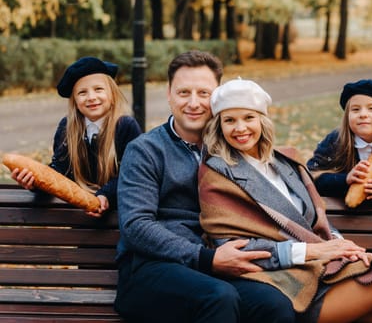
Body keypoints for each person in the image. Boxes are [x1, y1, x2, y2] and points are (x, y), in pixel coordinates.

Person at [198, 78, 372, 323]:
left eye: (248, 118)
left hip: (325, 270)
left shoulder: (284, 162)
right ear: (219, 126)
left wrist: (344, 246)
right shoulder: (218, 174)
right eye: (230, 120)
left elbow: (315, 219)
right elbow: (232, 247)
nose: (240, 128)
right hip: (286, 283)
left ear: (262, 120)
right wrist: (313, 251)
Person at [114, 50, 295, 323]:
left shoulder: (233, 148)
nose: (194, 103)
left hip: (214, 266)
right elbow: (136, 226)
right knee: (218, 297)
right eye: (184, 92)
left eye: (204, 93)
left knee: (275, 305)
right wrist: (205, 257)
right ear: (169, 94)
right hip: (151, 268)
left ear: (219, 97)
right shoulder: (146, 150)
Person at [10, 56, 141, 217]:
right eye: (82, 92)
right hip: (83, 215)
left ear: (112, 93)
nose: (91, 97)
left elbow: (133, 174)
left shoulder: (125, 126)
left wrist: (105, 195)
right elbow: (59, 173)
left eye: (98, 89)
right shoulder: (67, 128)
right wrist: (35, 183)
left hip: (122, 214)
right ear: (75, 101)